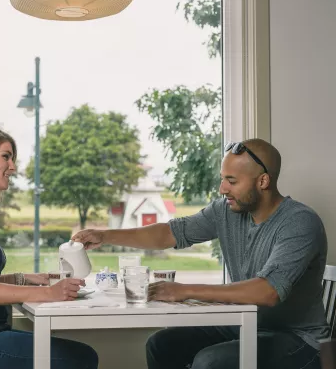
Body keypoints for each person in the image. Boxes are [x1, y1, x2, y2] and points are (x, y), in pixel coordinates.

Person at [72, 139, 328, 369]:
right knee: (161, 344)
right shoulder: (227, 211)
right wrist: (105, 236)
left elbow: (268, 291)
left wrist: (185, 290)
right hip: (247, 324)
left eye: (232, 181)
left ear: (263, 181)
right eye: (222, 178)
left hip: (299, 340)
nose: (222, 188)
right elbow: (168, 234)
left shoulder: (299, 222)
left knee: (210, 362)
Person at [0, 125, 98, 369]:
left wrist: (28, 278)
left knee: (76, 354)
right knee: (81, 358)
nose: (12, 167)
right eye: (6, 156)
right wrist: (49, 293)